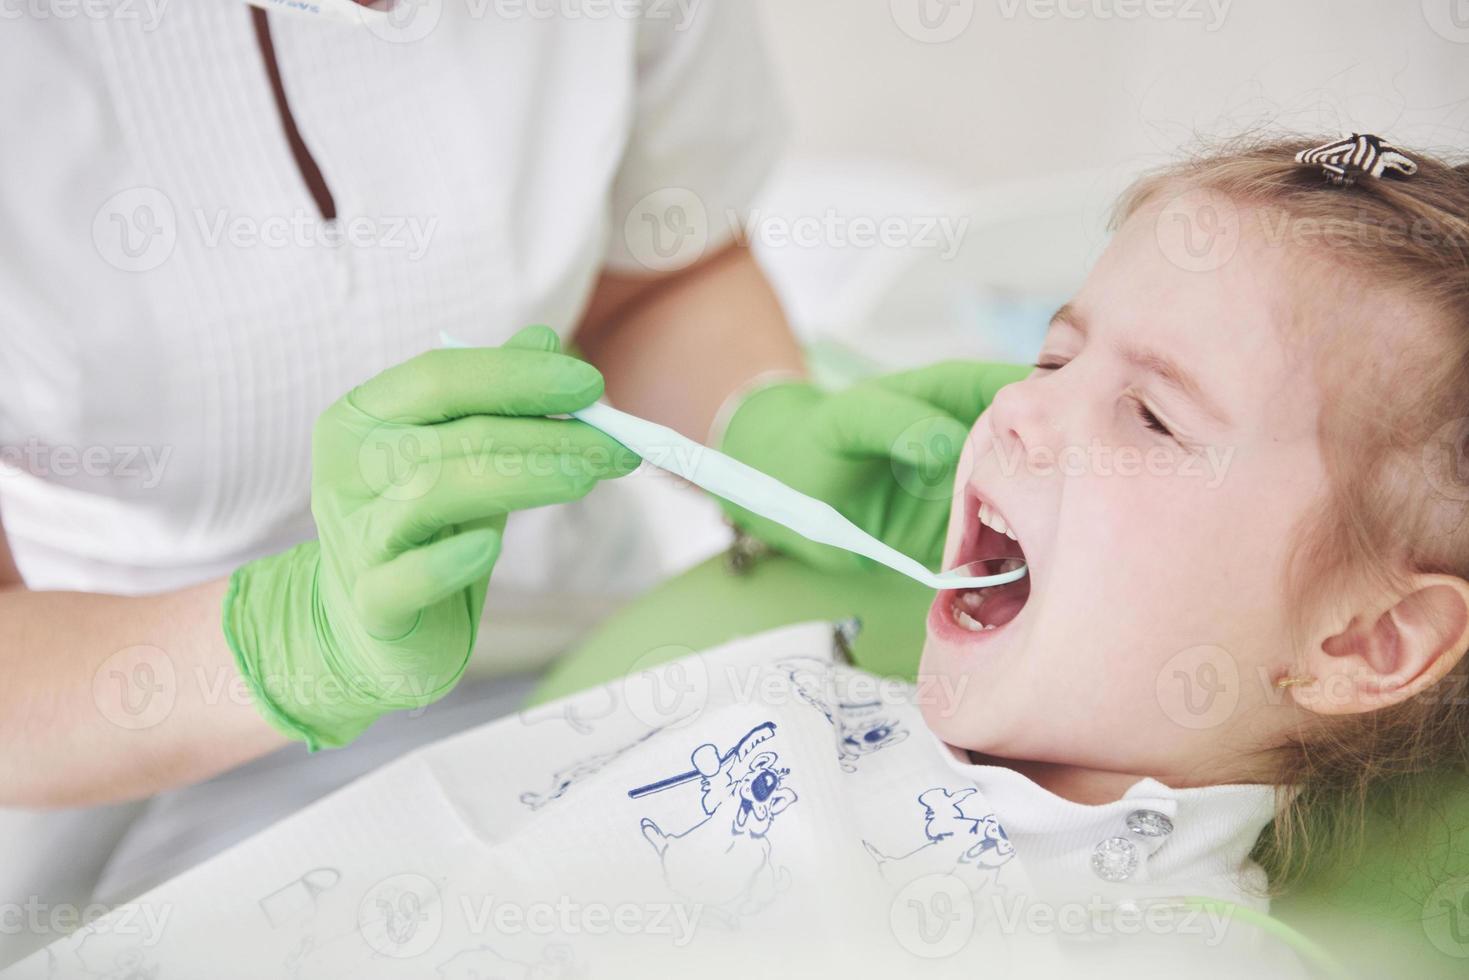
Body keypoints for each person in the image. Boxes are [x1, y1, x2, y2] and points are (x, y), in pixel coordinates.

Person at [14, 132, 1467, 979]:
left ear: (1366, 642)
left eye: (1149, 414)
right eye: (1049, 352)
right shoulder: (798, 699)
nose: (1020, 410)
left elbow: (666, 260)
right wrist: (289, 638)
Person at [0, 0, 1003, 940]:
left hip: (574, 641)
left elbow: (656, 274)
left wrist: (757, 422)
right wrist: (283, 642)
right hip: (141, 747)